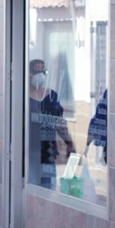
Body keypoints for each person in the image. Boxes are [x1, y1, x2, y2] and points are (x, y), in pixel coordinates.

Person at [28, 59, 75, 190]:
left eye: (44, 72)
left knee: (48, 189)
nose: (41, 75)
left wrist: (69, 143)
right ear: (29, 73)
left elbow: (59, 121)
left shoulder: (51, 95)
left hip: (47, 151)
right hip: (29, 151)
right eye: (37, 72)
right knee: (31, 188)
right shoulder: (23, 96)